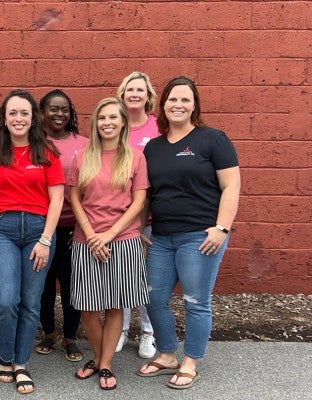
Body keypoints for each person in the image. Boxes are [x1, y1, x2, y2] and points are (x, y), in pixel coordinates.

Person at [137, 76, 240, 390]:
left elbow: (231, 186)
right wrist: (141, 227)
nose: (178, 105)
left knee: (196, 300)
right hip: (161, 236)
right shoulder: (153, 147)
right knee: (153, 298)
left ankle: (191, 360)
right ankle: (167, 354)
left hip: (200, 236)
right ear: (163, 104)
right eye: (172, 99)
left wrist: (221, 228)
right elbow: (146, 193)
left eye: (185, 100)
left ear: (195, 105)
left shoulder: (212, 139)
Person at [0, 89, 65, 394]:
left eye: (24, 113)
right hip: (2, 231)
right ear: (4, 118)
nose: (19, 118)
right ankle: (6, 356)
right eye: (13, 113)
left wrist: (46, 240)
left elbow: (57, 199)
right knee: (6, 299)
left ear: (33, 117)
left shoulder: (47, 151)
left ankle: (20, 363)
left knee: (30, 302)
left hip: (39, 232)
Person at [70, 97, 149, 390]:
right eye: (102, 118)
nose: (108, 123)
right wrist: (92, 234)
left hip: (123, 240)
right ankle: (100, 356)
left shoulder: (135, 157)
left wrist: (109, 234)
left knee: (115, 306)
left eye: (114, 118)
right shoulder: (82, 157)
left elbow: (138, 201)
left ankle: (103, 364)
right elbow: (75, 197)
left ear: (123, 122)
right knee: (88, 307)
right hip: (86, 241)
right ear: (95, 123)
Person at [34, 89, 87, 362]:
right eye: (53, 109)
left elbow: (92, 188)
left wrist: (82, 227)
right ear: (42, 112)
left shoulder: (85, 144)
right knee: (43, 284)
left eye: (65, 109)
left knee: (70, 285)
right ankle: (48, 332)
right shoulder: (33, 142)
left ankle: (70, 336)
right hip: (41, 227)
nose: (59, 114)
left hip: (73, 228)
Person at [115, 71, 159, 358]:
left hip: (154, 215)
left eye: (139, 90)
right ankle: (121, 329)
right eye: (129, 89)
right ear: (122, 94)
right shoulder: (116, 126)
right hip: (120, 217)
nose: (134, 94)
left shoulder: (158, 128)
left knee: (148, 278)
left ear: (148, 95)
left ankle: (148, 332)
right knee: (125, 276)